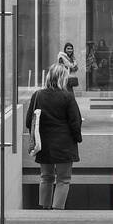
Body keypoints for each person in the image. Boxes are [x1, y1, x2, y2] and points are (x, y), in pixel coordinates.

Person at [25, 61, 82, 210]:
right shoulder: (67, 97)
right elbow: (75, 122)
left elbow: (28, 121)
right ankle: (57, 212)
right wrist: (78, 138)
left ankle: (45, 209)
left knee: (46, 177)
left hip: (44, 144)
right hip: (64, 144)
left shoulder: (37, 95)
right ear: (62, 78)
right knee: (63, 179)